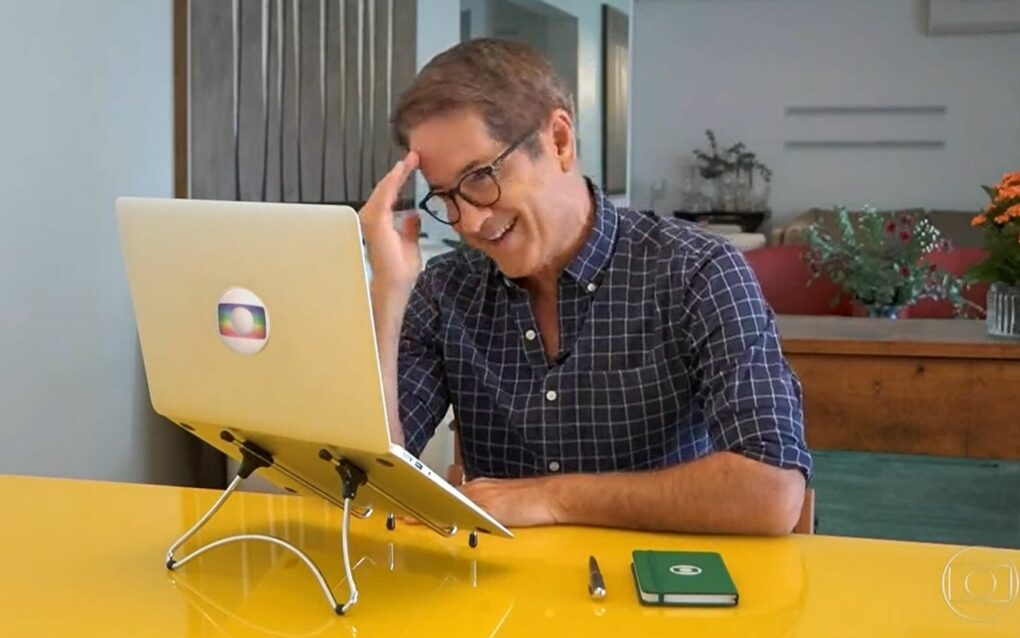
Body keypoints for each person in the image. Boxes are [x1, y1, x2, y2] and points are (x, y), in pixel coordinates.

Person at [359, 38, 810, 535]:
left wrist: (553, 499)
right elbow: (369, 485)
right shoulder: (446, 291)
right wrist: (388, 291)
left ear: (558, 141)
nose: (467, 221)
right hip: (502, 603)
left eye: (480, 177)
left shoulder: (698, 272)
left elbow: (771, 492)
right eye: (445, 197)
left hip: (664, 595)